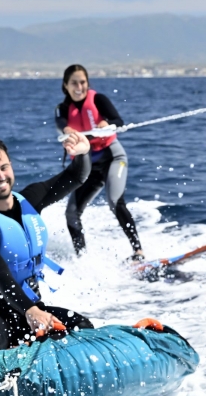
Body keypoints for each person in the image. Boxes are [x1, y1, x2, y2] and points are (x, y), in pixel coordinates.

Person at [0, 132, 95, 362]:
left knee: (81, 326)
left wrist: (82, 153)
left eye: (4, 167)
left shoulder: (30, 200)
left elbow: (76, 176)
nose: (0, 176)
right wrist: (30, 311)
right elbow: (0, 275)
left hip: (31, 307)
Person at [55, 64, 144, 259]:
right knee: (71, 213)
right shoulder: (62, 109)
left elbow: (118, 121)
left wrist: (107, 124)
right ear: (66, 86)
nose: (79, 87)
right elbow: (61, 124)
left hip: (112, 158)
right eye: (74, 83)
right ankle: (82, 259)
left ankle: (138, 251)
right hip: (87, 167)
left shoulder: (98, 99)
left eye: (83, 82)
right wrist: (67, 130)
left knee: (114, 202)